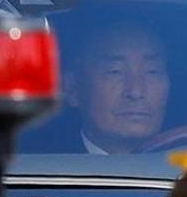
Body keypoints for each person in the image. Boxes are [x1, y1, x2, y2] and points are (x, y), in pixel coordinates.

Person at [63, 22, 169, 154]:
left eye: (152, 71)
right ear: (72, 88)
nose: (136, 92)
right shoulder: (41, 165)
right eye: (115, 71)